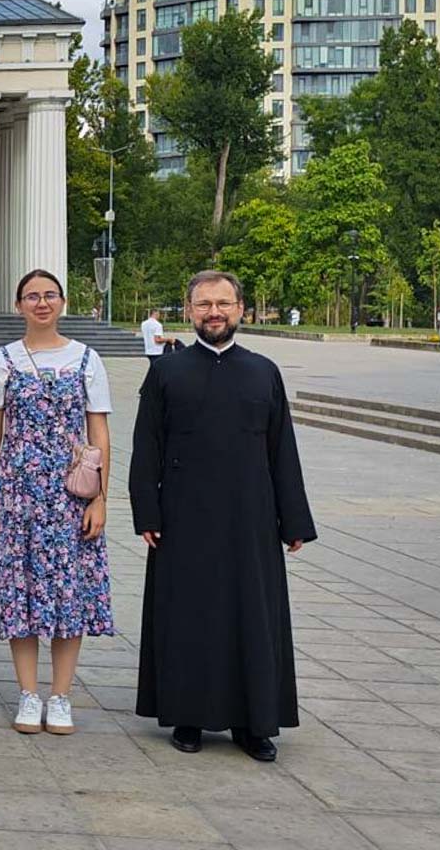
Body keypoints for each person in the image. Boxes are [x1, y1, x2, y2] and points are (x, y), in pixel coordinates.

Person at [131, 270, 316, 763]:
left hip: (250, 518)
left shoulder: (263, 371)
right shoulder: (167, 372)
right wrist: (146, 510)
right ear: (189, 311)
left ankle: (253, 724)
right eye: (204, 305)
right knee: (187, 615)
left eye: (223, 304)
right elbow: (145, 447)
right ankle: (187, 716)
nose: (214, 313)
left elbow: (283, 450)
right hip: (183, 516)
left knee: (251, 616)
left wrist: (293, 519)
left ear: (241, 309)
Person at [0, 269, 115, 739]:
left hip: (69, 495)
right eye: (32, 296)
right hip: (16, 493)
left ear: (63, 302)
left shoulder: (87, 359)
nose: (41, 303)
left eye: (49, 295)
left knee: (67, 594)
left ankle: (60, 695)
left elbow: (99, 431)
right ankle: (27, 691)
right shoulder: (3, 360)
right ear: (19, 305)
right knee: (20, 591)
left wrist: (100, 498)